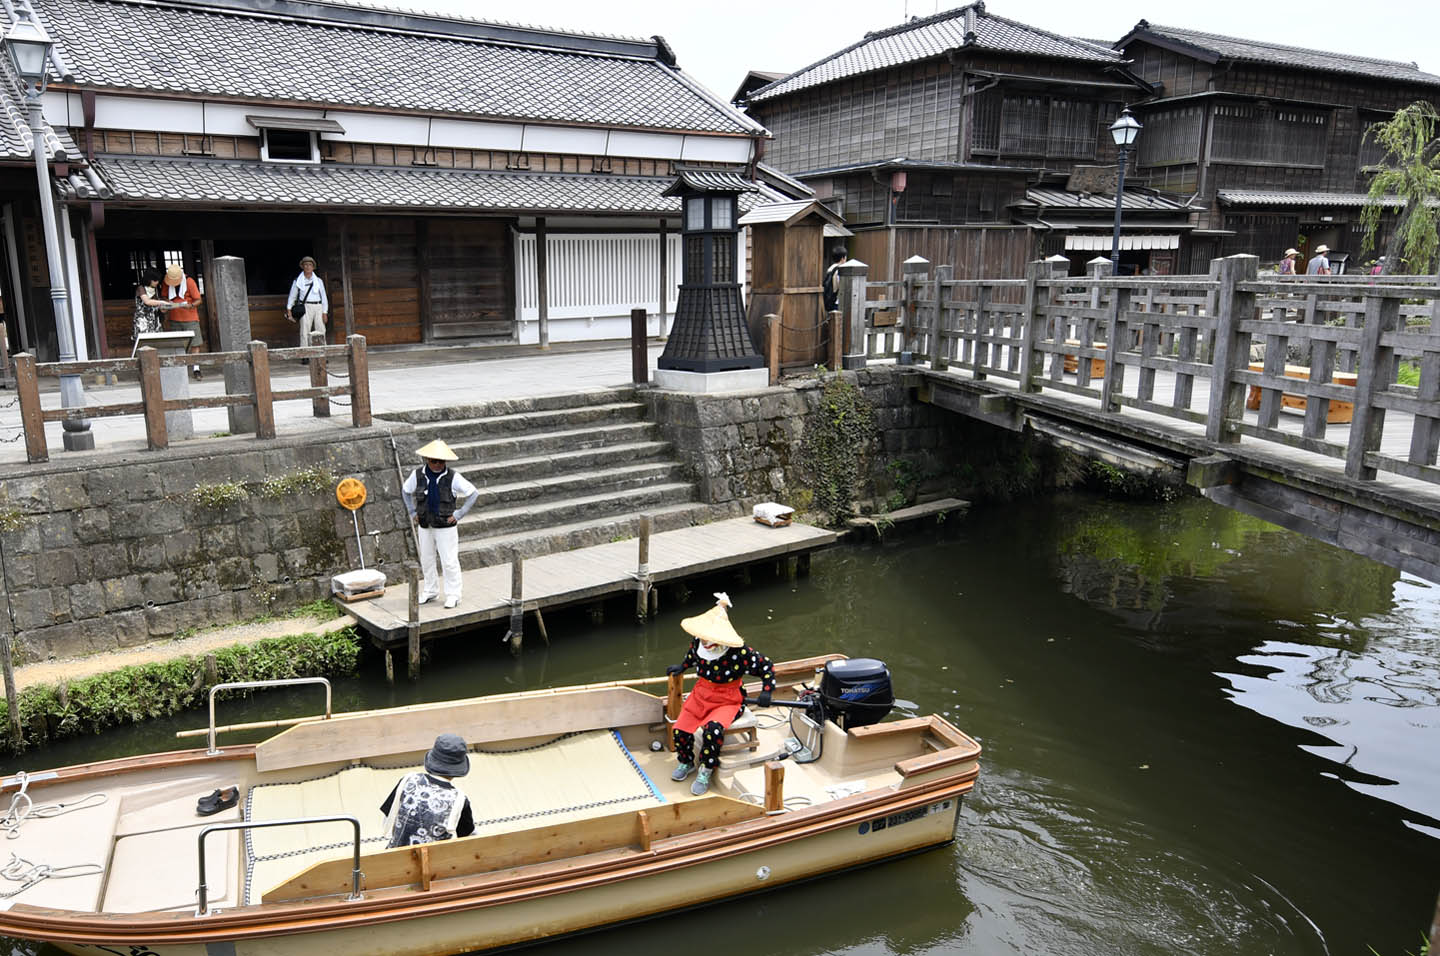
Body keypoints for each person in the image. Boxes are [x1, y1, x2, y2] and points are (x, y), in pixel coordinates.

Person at [666, 592, 775, 796]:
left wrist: (766, 690)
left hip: (728, 698)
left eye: (709, 638)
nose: (705, 642)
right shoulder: (698, 642)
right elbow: (692, 656)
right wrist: (682, 666)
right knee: (680, 729)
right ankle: (686, 761)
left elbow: (767, 666)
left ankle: (706, 769)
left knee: (713, 731)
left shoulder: (739, 652)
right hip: (701, 693)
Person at [401, 438, 479, 609]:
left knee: (449, 561)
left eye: (441, 461)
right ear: (427, 460)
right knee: (427, 559)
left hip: (446, 526)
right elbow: (406, 491)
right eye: (433, 461)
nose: (437, 464)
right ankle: (430, 590)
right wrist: (412, 512)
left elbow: (473, 493)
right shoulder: (417, 475)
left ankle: (453, 594)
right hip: (424, 525)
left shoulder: (453, 477)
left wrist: (459, 514)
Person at [379, 733, 475, 848]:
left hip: (395, 858)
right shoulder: (459, 800)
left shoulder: (408, 780)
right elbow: (467, 839)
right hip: (434, 864)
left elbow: (387, 818)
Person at [160, 263, 205, 378]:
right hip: (174, 318)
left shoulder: (189, 281)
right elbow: (164, 296)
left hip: (190, 317)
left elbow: (198, 300)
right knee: (179, 344)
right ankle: (181, 368)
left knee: (195, 344)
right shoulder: (166, 283)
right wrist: (167, 303)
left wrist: (190, 306)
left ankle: (196, 368)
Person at [285, 256, 330, 357]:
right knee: (304, 331)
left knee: (321, 330)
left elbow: (324, 297)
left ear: (313, 267)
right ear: (302, 267)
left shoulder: (319, 281)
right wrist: (289, 309)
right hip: (305, 306)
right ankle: (305, 355)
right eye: (305, 265)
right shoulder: (298, 281)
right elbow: (292, 296)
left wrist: (325, 312)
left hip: (318, 306)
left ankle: (323, 354)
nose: (308, 267)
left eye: (310, 265)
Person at [132, 270, 170, 347]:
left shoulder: (155, 290)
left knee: (157, 343)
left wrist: (165, 307)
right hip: (143, 320)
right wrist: (162, 302)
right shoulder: (141, 288)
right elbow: (147, 301)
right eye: (155, 280)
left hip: (155, 320)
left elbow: (157, 306)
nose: (157, 282)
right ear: (149, 279)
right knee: (143, 344)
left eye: (158, 280)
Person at [822, 246, 847, 314]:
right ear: (843, 258)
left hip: (829, 299)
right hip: (836, 300)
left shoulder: (830, 269)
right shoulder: (839, 270)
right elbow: (839, 286)